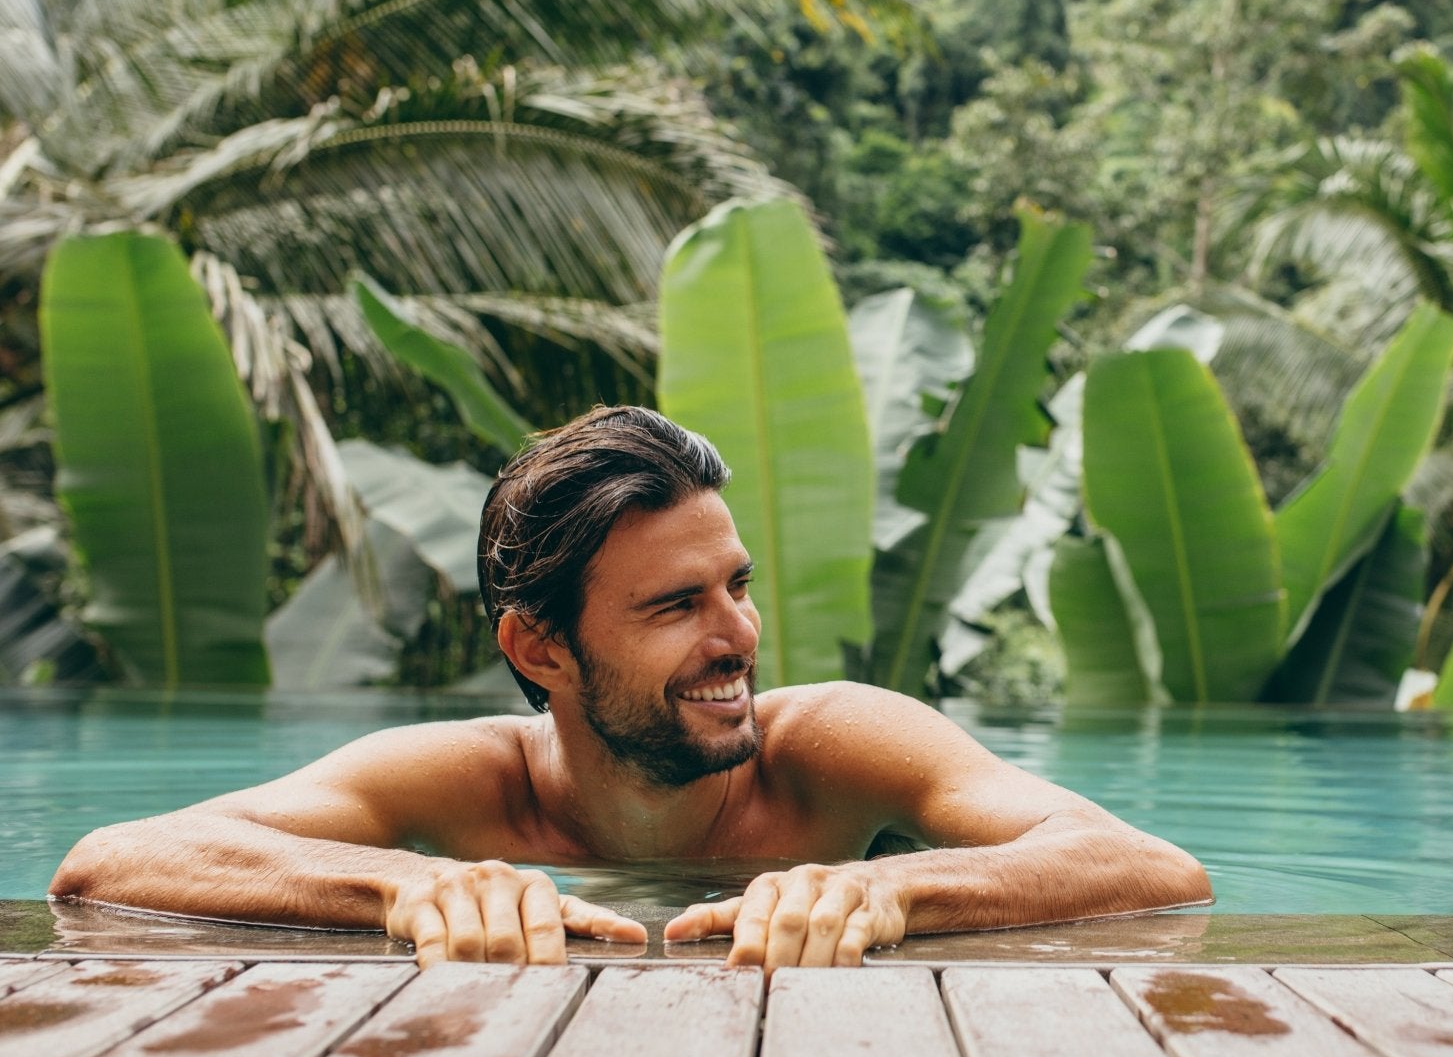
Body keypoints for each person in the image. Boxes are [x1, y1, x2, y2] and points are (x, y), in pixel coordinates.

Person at [49, 407, 1211, 969]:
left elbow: (1156, 871)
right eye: (673, 606)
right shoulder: (467, 784)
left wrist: (898, 892)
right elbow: (113, 862)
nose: (737, 636)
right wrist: (408, 887)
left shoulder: (835, 746)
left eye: (737, 587)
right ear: (539, 647)